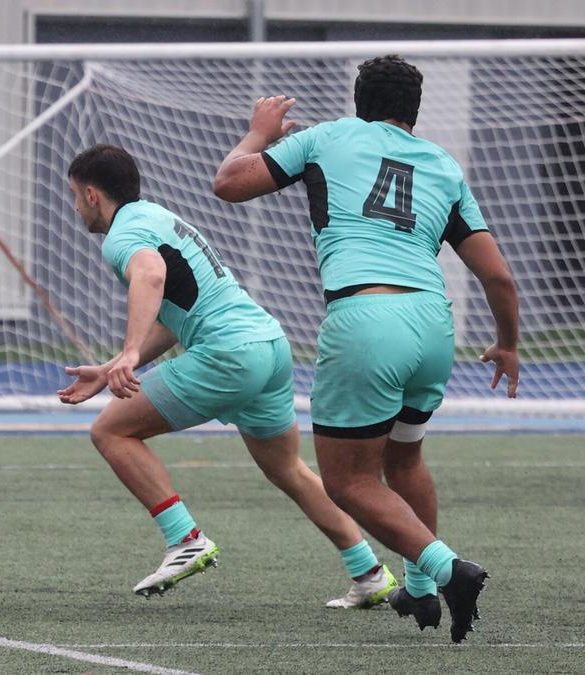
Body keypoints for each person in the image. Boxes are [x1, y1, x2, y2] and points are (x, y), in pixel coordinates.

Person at [212, 55, 519, 642]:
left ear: (359, 102)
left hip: (366, 317)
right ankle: (422, 594)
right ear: (415, 110)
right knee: (404, 460)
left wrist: (259, 133)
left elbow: (229, 184)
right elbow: (499, 278)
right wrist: (507, 345)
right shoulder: (443, 165)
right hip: (433, 325)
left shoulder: (329, 137)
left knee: (347, 481)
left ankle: (448, 570)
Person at [60, 144, 394, 608]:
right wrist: (117, 360)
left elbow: (151, 277)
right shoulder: (155, 216)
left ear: (93, 195)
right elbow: (172, 313)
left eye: (74, 195)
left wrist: (131, 352)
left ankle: (185, 539)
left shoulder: (120, 237)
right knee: (289, 471)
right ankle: (370, 572)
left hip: (229, 355)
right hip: (270, 348)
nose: (75, 206)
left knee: (111, 431)